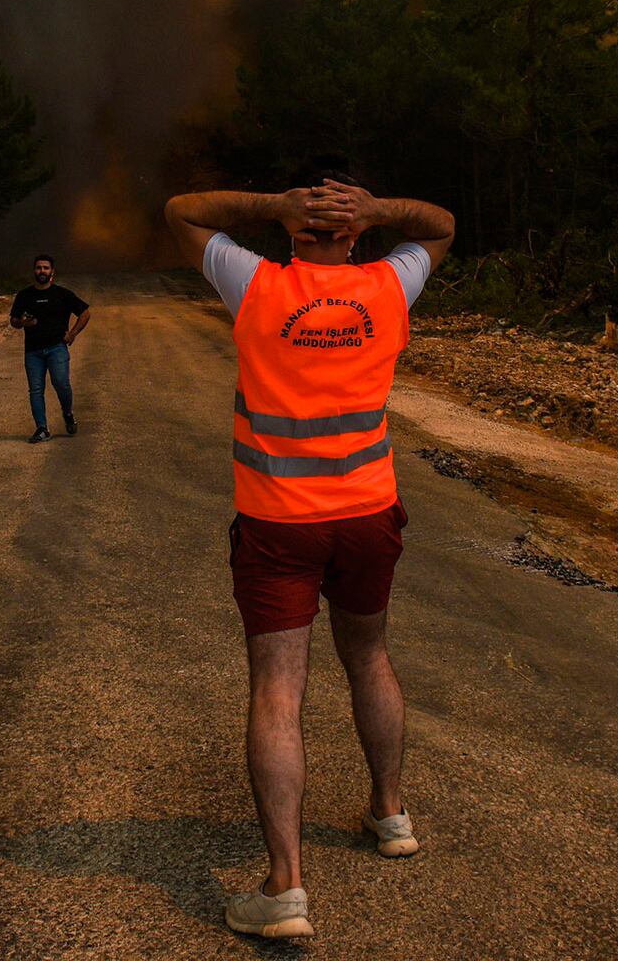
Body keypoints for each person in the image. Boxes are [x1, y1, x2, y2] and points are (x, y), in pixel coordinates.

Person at [164, 173, 454, 942]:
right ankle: (390, 815)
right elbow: (441, 225)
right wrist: (381, 208)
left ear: (294, 232)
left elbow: (179, 211)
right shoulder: (388, 288)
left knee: (278, 690)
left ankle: (284, 889)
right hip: (366, 515)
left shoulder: (253, 282)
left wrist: (268, 208)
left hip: (277, 522)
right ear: (356, 234)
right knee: (370, 656)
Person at [8, 253, 90, 442]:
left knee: (61, 383)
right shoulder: (24, 295)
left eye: (45, 268)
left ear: (52, 271)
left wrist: (73, 334)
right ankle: (42, 428)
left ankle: (67, 413)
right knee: (36, 390)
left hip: (57, 348)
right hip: (33, 351)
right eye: (38, 268)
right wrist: (22, 322)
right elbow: (13, 320)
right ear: (34, 271)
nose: (42, 271)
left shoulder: (62, 294)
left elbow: (85, 313)